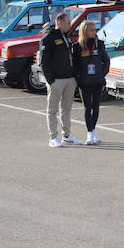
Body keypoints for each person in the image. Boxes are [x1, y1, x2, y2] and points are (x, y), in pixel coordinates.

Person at [40, 12, 80, 147]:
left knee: (67, 109)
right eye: (68, 23)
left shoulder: (66, 37)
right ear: (59, 23)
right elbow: (43, 62)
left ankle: (67, 135)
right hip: (56, 80)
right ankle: (53, 137)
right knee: (52, 110)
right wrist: (50, 80)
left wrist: (74, 77)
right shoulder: (49, 38)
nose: (70, 25)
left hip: (69, 79)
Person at [72, 19, 109, 146]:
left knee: (96, 107)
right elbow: (75, 65)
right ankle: (89, 133)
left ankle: (93, 131)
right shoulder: (77, 46)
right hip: (85, 82)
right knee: (87, 107)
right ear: (85, 31)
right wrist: (79, 77)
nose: (94, 32)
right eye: (91, 30)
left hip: (97, 81)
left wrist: (101, 73)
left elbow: (106, 61)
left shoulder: (99, 44)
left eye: (95, 30)